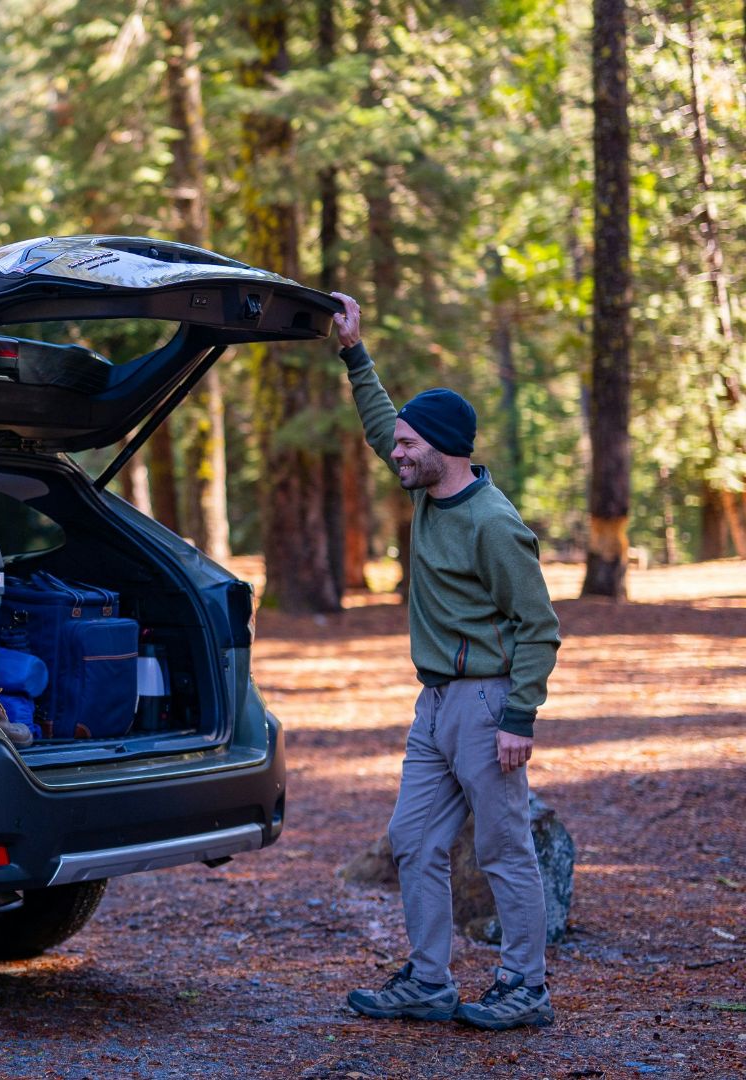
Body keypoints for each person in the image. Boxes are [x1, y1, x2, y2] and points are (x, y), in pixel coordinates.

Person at [331, 293, 563, 1031]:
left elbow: (540, 626)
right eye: (396, 443)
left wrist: (519, 718)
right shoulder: (428, 493)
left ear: (443, 448)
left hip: (488, 703)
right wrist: (353, 351)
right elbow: (377, 423)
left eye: (406, 445)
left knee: (502, 848)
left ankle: (526, 986)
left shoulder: (495, 525)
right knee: (413, 839)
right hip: (433, 704)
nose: (394, 452)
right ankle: (430, 981)